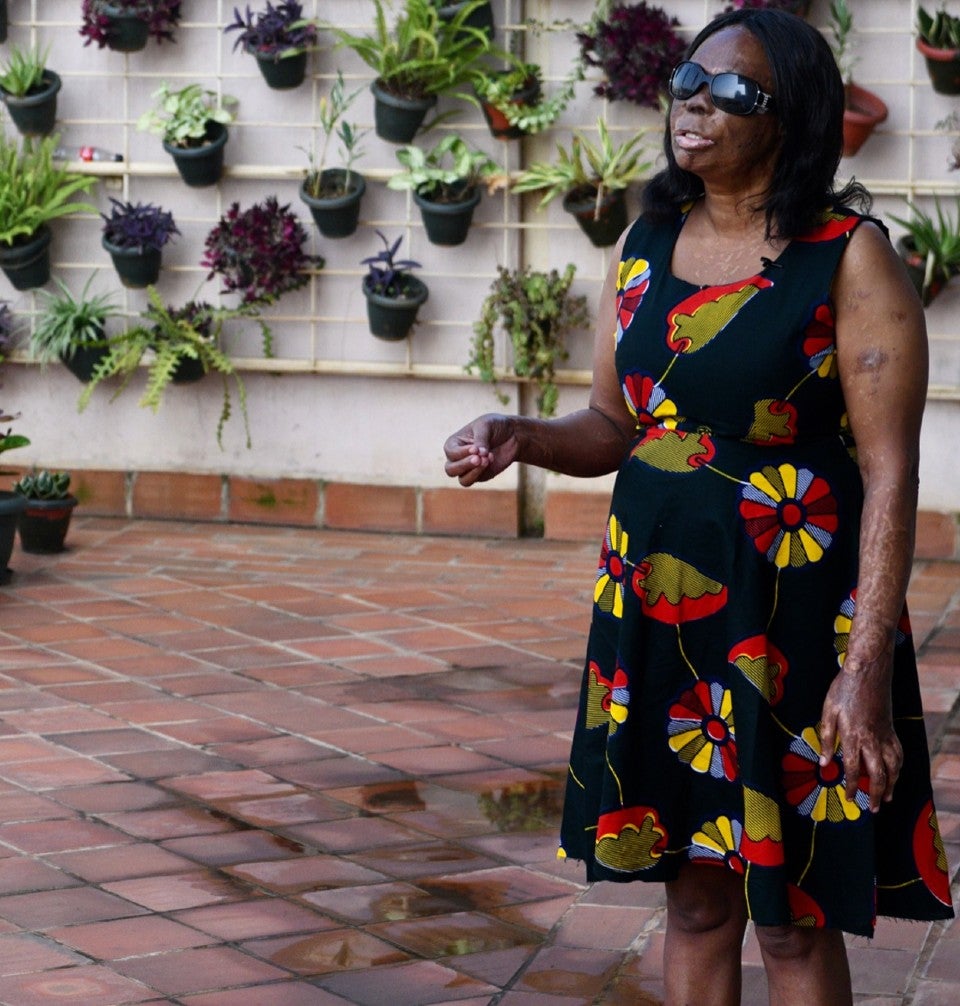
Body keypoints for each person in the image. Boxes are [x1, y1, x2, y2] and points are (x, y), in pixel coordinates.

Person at [444, 8, 954, 1004]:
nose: (695, 103)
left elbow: (892, 471)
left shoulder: (849, 256)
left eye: (733, 92)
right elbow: (614, 424)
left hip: (794, 620)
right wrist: (524, 434)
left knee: (794, 916)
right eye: (689, 79)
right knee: (693, 903)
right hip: (662, 619)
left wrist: (864, 670)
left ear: (793, 118)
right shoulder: (644, 244)